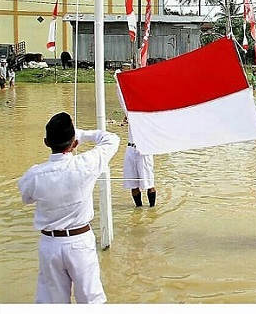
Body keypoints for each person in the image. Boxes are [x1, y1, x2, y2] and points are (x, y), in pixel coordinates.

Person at [18, 112, 120, 303]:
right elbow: (112, 139)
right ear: (74, 143)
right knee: (91, 300)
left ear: (46, 142)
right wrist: (83, 134)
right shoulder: (86, 165)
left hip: (49, 244)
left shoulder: (34, 176)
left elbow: (26, 198)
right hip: (80, 241)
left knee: (51, 301)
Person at [121, 116, 156, 207]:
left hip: (144, 148)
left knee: (149, 182)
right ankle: (138, 208)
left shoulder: (149, 117)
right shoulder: (131, 113)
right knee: (132, 182)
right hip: (130, 147)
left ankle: (152, 208)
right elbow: (125, 119)